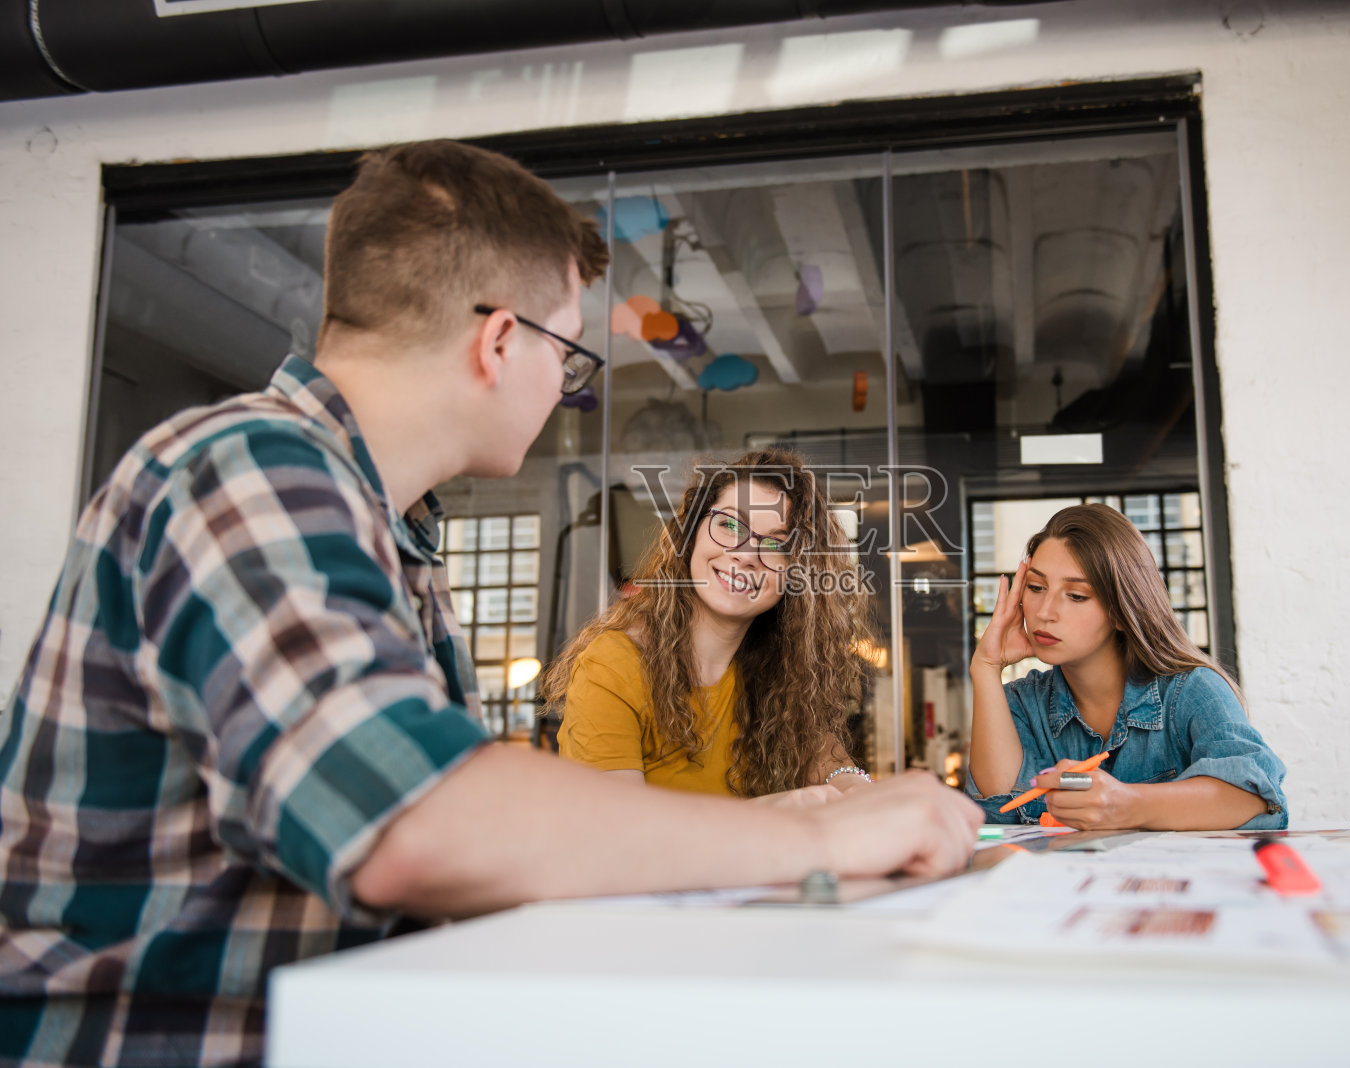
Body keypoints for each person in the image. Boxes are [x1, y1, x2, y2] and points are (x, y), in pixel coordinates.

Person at [0, 140, 980, 1068]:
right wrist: (818, 840)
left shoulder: (387, 522)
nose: (564, 387)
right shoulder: (248, 470)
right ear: (501, 341)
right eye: (569, 356)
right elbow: (411, 823)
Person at [547, 448, 872, 804]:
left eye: (776, 544)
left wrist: (860, 791)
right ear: (691, 535)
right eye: (730, 525)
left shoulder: (780, 676)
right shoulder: (611, 665)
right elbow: (618, 828)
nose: (746, 555)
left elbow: (833, 766)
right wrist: (784, 809)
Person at [966, 503, 1286, 830]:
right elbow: (999, 810)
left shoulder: (1192, 690)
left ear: (1121, 611)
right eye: (1036, 588)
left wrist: (1126, 804)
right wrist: (986, 666)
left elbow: (1257, 797)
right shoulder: (1019, 703)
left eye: (1076, 595)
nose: (1045, 611)